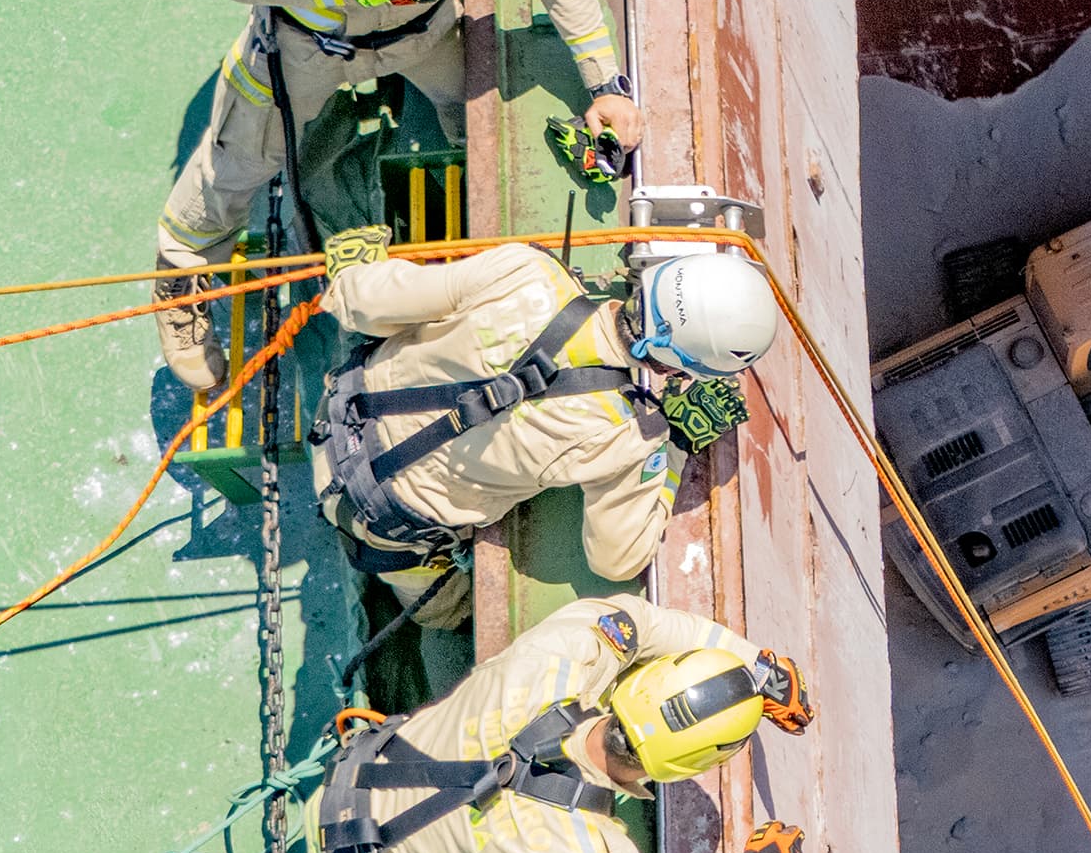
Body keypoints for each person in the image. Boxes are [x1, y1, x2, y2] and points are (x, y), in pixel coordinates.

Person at [152, 0, 640, 388]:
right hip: (304, 43)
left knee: (474, 132)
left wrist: (605, 85)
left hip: (422, 37)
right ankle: (181, 273)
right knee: (238, 158)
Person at [314, 593, 813, 853]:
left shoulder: (558, 657)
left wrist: (756, 668)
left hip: (341, 789)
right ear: (684, 768)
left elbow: (644, 623)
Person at [305, 228, 779, 589]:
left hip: (334, 418)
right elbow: (617, 560)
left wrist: (353, 274)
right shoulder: (624, 435)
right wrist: (675, 443)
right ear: (686, 367)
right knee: (442, 612)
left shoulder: (527, 272)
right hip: (376, 523)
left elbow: (363, 304)